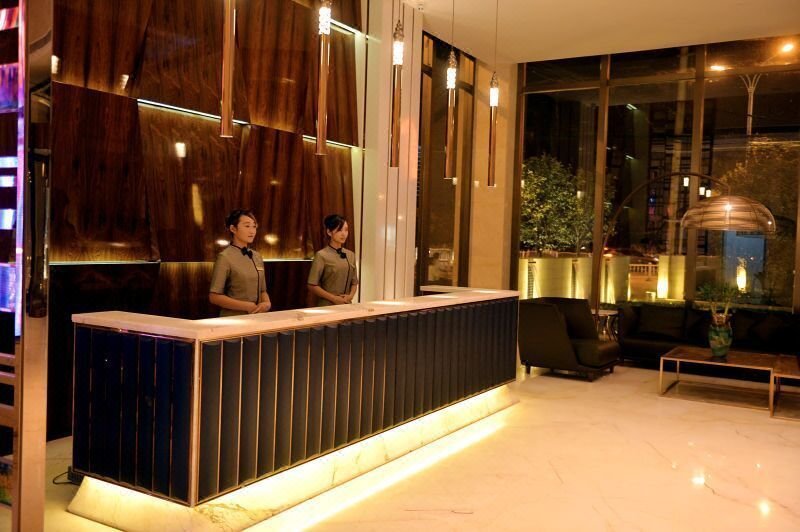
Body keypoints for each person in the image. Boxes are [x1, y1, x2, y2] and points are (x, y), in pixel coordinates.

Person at [209, 209, 271, 316]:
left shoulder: (257, 256)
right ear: (233, 228)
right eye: (247, 226)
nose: (252, 231)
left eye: (254, 226)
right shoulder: (224, 257)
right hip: (233, 319)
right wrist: (247, 306)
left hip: (257, 317)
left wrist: (267, 303)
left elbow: (263, 290)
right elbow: (214, 297)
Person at [307, 214, 359, 307]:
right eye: (339, 230)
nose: (343, 234)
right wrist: (334, 298)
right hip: (327, 306)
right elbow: (312, 285)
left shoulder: (351, 255)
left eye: (346, 230)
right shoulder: (321, 255)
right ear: (329, 232)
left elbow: (354, 282)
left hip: (347, 305)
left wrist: (350, 296)